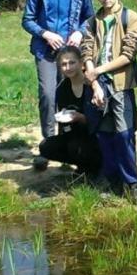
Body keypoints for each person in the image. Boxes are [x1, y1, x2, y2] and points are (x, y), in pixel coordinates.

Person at [23, 0, 95, 170]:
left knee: (71, 96)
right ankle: (48, 141)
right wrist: (44, 33)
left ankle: (70, 143)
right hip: (46, 52)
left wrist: (79, 32)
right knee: (48, 94)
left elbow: (90, 17)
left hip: (72, 53)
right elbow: (27, 19)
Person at [81, 0, 137, 194]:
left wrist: (99, 70)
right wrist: (94, 81)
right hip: (98, 84)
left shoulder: (131, 17)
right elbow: (86, 50)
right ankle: (111, 179)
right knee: (105, 134)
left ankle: (132, 182)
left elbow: (128, 54)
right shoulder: (91, 21)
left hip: (121, 84)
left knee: (124, 133)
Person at [36, 46, 103, 178]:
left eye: (72, 63)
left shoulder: (92, 85)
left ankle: (94, 168)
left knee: (76, 146)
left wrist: (81, 118)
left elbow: (100, 119)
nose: (68, 67)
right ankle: (82, 166)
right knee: (46, 146)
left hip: (96, 136)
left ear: (81, 63)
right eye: (64, 64)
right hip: (74, 133)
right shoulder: (62, 88)